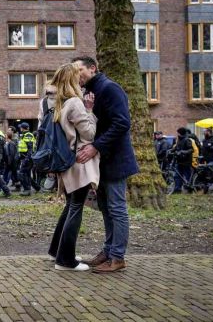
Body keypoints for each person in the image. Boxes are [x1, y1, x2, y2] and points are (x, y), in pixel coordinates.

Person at [74, 56, 138, 274]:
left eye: (79, 69)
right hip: (102, 161)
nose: (77, 74)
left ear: (92, 68)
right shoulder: (90, 90)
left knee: (117, 209)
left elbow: (122, 123)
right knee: (106, 208)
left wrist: (96, 146)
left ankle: (118, 257)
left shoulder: (110, 88)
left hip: (114, 159)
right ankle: (109, 251)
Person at [46, 63, 99, 271]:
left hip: (65, 161)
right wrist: (90, 111)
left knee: (71, 205)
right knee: (76, 206)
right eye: (77, 74)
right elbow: (89, 134)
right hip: (79, 162)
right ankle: (65, 260)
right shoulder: (76, 103)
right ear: (72, 79)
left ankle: (57, 251)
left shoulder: (56, 103)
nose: (81, 77)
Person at [17, 122, 37, 196]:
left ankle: (27, 190)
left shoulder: (28, 135)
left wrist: (27, 159)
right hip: (25, 157)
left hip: (27, 158)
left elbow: (30, 148)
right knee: (27, 174)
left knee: (22, 173)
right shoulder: (25, 135)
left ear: (23, 128)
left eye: (21, 127)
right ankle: (36, 187)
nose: (20, 128)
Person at [172, 127, 193, 194]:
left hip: (186, 162)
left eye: (178, 132)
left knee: (187, 175)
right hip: (179, 161)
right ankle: (177, 189)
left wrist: (182, 152)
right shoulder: (179, 140)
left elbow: (191, 149)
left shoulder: (187, 140)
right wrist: (170, 150)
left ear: (180, 133)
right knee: (177, 175)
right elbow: (176, 147)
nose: (177, 134)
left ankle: (189, 188)